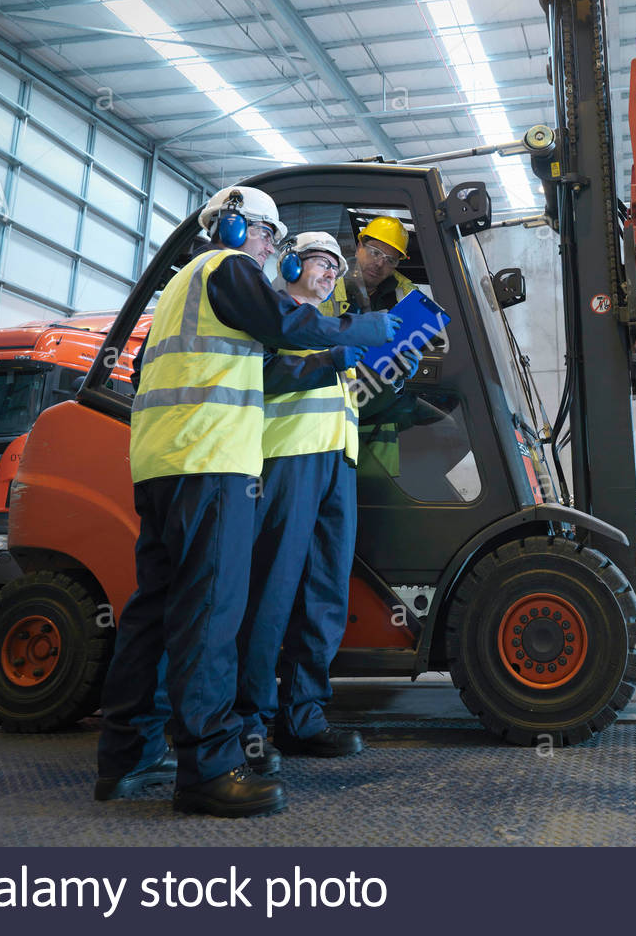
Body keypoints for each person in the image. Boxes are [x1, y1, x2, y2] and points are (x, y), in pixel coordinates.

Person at [94, 187, 397, 819]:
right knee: (212, 609)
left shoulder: (180, 290)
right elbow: (284, 333)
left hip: (163, 461)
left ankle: (127, 758)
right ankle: (206, 767)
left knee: (156, 611)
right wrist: (360, 333)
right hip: (211, 460)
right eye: (266, 236)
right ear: (235, 228)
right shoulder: (223, 268)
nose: (270, 250)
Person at [235, 231, 367, 768]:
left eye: (337, 265)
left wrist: (389, 382)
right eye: (320, 261)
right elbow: (260, 375)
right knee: (272, 594)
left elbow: (345, 400)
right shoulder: (272, 316)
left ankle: (303, 716)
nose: (332, 271)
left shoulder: (330, 327)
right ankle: (247, 722)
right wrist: (329, 360)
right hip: (286, 462)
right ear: (289, 263)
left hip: (338, 464)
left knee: (324, 594)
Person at [324, 216, 418, 476]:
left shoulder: (405, 295)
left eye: (391, 260)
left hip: (378, 415)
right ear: (359, 246)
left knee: (375, 504)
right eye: (375, 252)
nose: (380, 264)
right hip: (329, 413)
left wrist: (400, 376)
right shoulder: (327, 283)